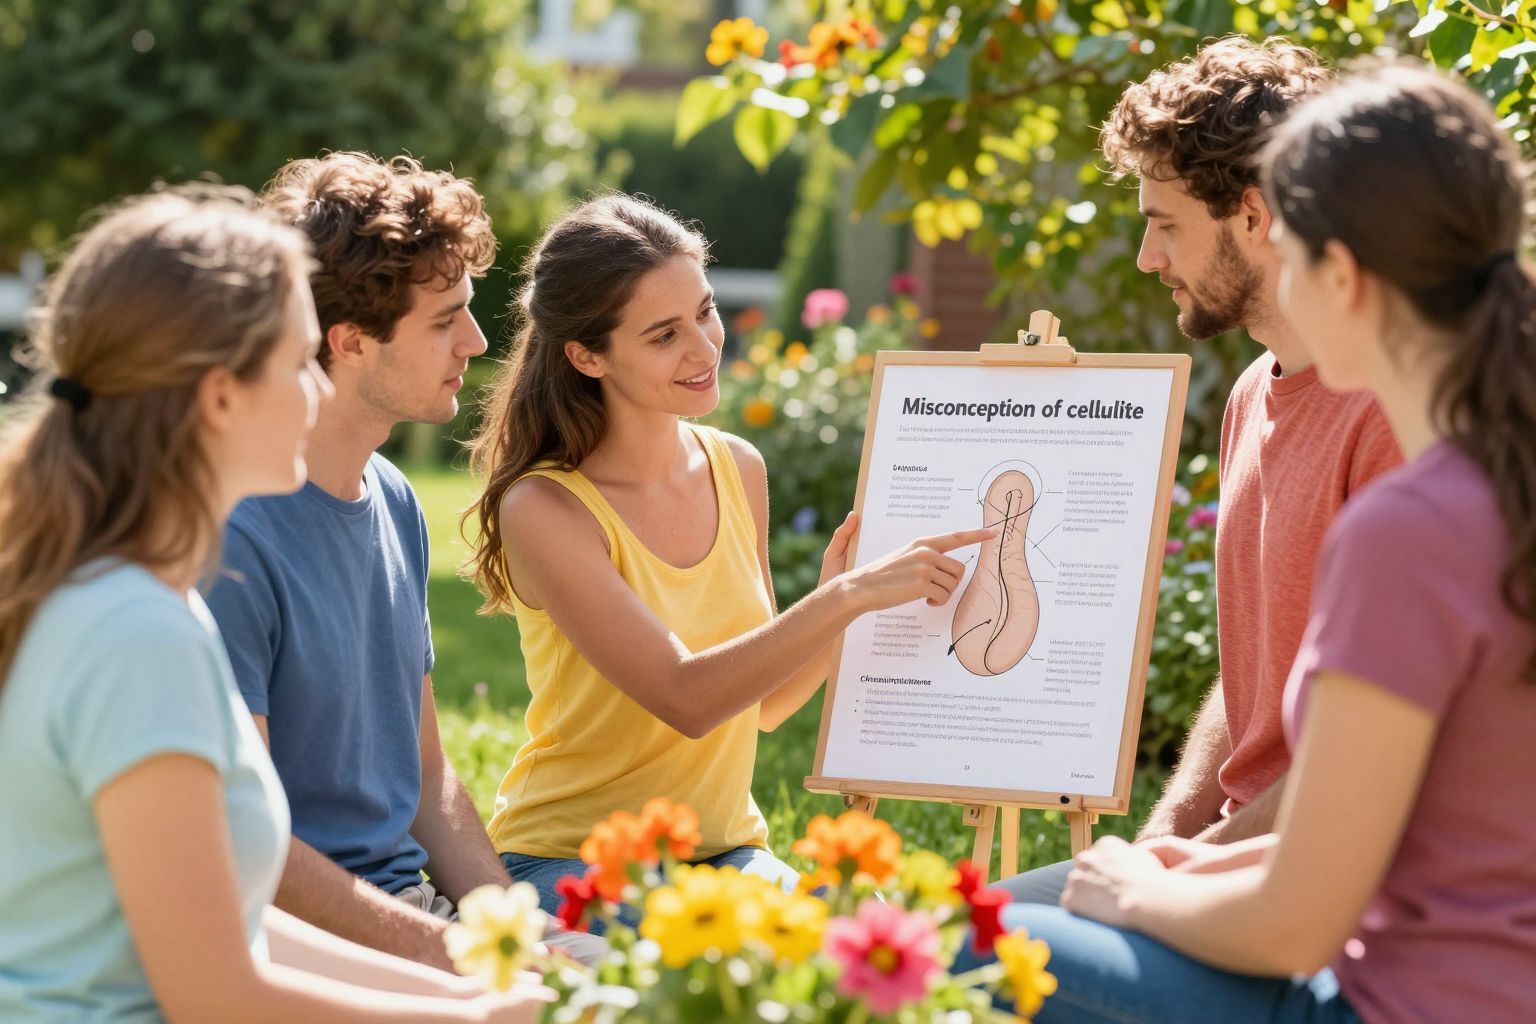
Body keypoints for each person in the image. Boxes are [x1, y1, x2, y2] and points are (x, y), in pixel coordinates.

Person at [964, 62, 1536, 1023]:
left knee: (978, 956)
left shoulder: (1415, 523)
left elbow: (1299, 926)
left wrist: (1140, 894)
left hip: (1388, 995)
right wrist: (1175, 859)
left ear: (1339, 273)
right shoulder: (1489, 476)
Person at [0, 186, 544, 1021]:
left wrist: (477, 990)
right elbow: (215, 991)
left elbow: (239, 928)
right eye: (298, 362)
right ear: (220, 397)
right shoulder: (134, 631)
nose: (318, 389)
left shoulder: (136, 603)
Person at [463, 193, 993, 919]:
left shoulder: (736, 467)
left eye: (705, 312)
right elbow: (688, 699)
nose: (706, 348)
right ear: (587, 354)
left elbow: (766, 705)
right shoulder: (546, 509)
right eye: (663, 335)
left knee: (865, 956)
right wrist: (844, 598)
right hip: (574, 862)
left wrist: (839, 600)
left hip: (726, 855)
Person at [998, 36, 1401, 906]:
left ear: (1253, 217)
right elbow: (1260, 666)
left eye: (1164, 225)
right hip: (1239, 850)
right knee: (970, 934)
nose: (1149, 260)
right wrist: (1162, 835)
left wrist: (1173, 875)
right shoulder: (1255, 391)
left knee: (982, 955)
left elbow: (1370, 760)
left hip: (1330, 883)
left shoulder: (1388, 415)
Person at [203, 152, 598, 967]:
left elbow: (425, 777)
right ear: (349, 342)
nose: (478, 340)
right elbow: (248, 847)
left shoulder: (391, 495)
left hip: (410, 918)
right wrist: (452, 959)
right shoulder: (230, 539)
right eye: (444, 318)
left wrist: (514, 935)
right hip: (305, 946)